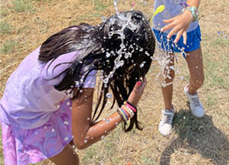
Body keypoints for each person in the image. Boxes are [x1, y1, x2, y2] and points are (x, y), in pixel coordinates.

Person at [0, 10, 155, 165]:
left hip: (25, 93)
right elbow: (83, 139)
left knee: (70, 140)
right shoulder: (85, 70)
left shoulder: (84, 33)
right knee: (71, 161)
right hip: (25, 114)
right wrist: (129, 107)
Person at [112, 0, 209, 136]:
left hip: (188, 31)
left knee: (198, 78)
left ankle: (191, 93)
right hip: (164, 30)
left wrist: (188, 14)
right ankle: (168, 109)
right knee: (167, 74)